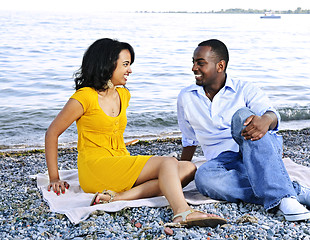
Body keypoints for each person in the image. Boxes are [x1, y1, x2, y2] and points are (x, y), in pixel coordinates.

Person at [45, 38, 227, 227]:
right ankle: (181, 211)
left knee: (188, 169)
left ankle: (117, 197)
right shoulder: (84, 97)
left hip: (120, 163)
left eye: (130, 64)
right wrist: (54, 178)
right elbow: (52, 133)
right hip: (95, 169)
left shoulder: (124, 94)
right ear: (107, 64)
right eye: (125, 64)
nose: (130, 70)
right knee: (167, 163)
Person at [177, 39, 310, 221]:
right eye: (193, 62)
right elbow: (189, 140)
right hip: (222, 162)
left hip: (257, 150)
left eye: (200, 63)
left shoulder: (245, 89)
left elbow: (272, 115)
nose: (193, 68)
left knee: (242, 116)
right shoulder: (186, 97)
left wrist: (265, 120)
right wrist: (178, 174)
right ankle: (294, 191)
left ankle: (283, 198)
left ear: (220, 65)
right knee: (203, 179)